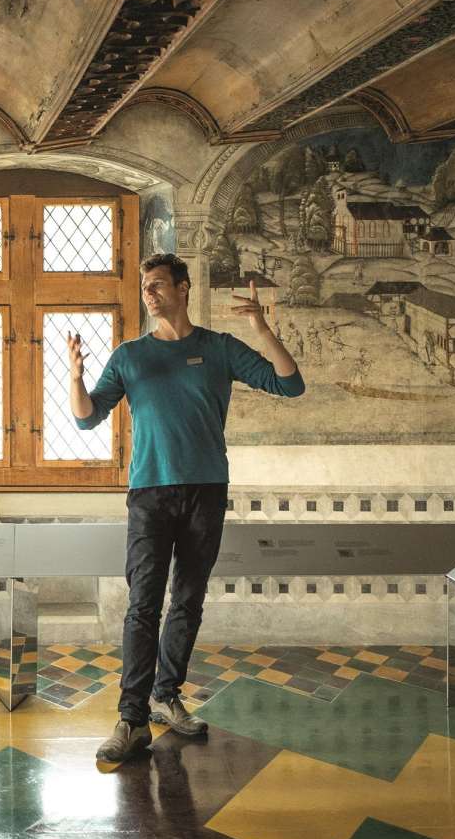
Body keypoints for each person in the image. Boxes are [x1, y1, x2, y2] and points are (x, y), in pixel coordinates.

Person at [70, 253, 304, 763]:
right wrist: (75, 377)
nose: (149, 293)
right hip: (150, 493)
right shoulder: (130, 356)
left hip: (206, 490)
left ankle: (165, 694)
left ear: (182, 288)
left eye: (157, 284)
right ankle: (131, 718)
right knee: (143, 605)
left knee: (188, 600)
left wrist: (262, 330)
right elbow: (87, 419)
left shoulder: (218, 349)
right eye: (145, 287)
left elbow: (290, 383)